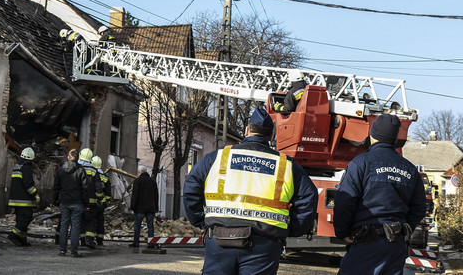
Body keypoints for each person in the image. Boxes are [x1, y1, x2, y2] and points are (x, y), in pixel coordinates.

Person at [183, 108, 318, 275]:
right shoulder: (286, 165)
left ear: (247, 130)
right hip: (265, 243)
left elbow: (191, 186)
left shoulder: (218, 157)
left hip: (220, 238)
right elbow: (308, 198)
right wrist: (293, 230)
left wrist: (200, 220)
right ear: (272, 136)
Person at [333, 114, 427, 275]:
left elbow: (345, 201)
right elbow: (419, 208)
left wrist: (343, 233)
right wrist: (404, 229)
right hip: (395, 247)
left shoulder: (361, 163)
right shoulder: (410, 169)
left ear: (372, 134)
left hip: (366, 243)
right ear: (394, 139)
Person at [53, 148, 89, 257]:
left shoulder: (60, 170)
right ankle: (74, 251)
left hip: (64, 201)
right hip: (77, 202)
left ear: (68, 157)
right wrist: (86, 203)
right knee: (75, 226)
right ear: (77, 159)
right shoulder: (81, 170)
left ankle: (62, 250)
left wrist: (55, 201)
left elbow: (56, 187)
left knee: (64, 225)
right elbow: (85, 188)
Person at [7, 147, 39, 247]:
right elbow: (28, 185)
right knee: (26, 219)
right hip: (24, 201)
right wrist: (36, 194)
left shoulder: (17, 166)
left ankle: (21, 240)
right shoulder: (26, 168)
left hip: (15, 200)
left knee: (20, 220)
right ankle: (13, 235)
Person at [78, 148, 102, 249]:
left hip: (78, 201)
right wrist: (99, 199)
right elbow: (98, 187)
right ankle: (89, 240)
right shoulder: (94, 171)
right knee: (91, 221)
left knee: (81, 221)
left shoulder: (77, 168)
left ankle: (82, 240)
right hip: (92, 202)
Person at [129, 167, 158, 248]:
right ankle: (151, 243)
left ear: (140, 172)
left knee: (137, 225)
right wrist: (156, 207)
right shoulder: (153, 181)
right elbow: (156, 195)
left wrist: (132, 207)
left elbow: (135, 195)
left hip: (139, 208)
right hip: (150, 208)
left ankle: (136, 243)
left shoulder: (138, 181)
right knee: (150, 226)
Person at [92, 155, 112, 246]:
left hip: (91, 203)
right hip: (101, 204)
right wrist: (106, 202)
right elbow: (108, 193)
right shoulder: (105, 177)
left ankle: (89, 239)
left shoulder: (90, 175)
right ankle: (100, 240)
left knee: (91, 221)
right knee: (100, 221)